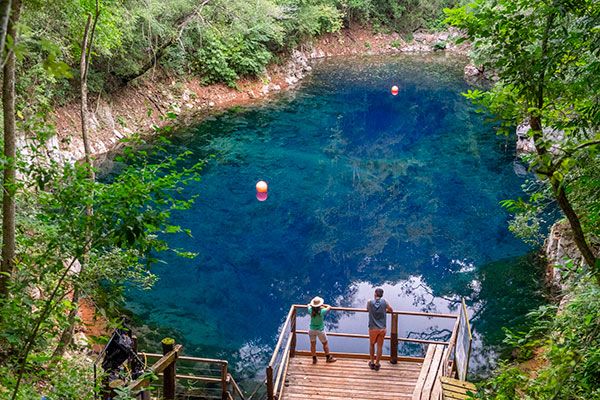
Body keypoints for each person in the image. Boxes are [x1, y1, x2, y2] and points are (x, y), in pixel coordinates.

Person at [367, 288, 393, 371]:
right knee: (380, 346)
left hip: (373, 328)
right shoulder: (384, 302)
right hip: (382, 328)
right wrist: (384, 310)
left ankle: (372, 362)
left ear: (375, 294)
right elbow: (391, 310)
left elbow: (367, 309)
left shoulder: (369, 302)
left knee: (372, 344)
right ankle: (377, 364)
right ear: (382, 295)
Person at [307, 296, 337, 364]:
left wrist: (311, 305)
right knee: (325, 343)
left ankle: (314, 359)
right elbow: (329, 306)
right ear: (319, 305)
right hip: (320, 330)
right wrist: (323, 305)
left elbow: (308, 305)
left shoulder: (310, 310)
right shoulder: (322, 311)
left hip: (311, 330)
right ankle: (328, 357)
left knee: (313, 345)